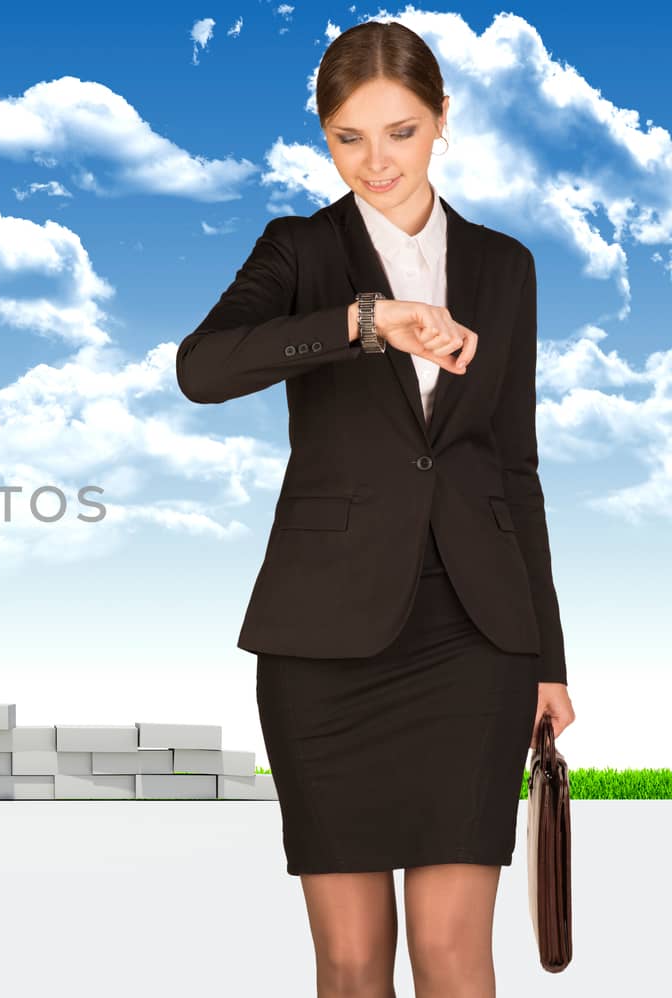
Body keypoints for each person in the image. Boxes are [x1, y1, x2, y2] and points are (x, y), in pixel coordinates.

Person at [175, 20, 577, 998]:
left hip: (477, 638)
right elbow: (201, 368)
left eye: (399, 131)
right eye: (348, 137)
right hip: (323, 642)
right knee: (351, 963)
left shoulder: (505, 267)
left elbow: (513, 469)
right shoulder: (300, 251)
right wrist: (364, 322)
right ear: (323, 137)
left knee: (451, 954)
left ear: (443, 119)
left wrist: (550, 661)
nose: (376, 160)